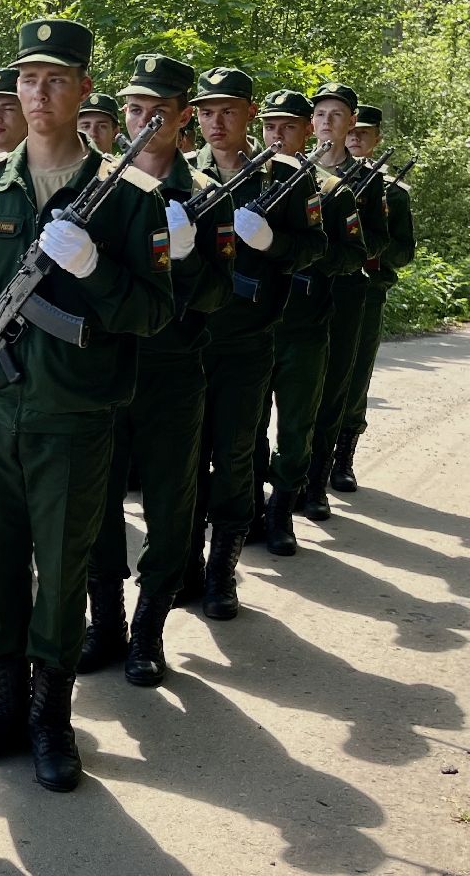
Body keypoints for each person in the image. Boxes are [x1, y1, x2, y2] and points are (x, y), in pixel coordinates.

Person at [0, 19, 173, 791]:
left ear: (84, 88)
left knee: (60, 571)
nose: (39, 92)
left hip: (75, 420)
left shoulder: (131, 199)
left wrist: (94, 269)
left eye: (57, 79)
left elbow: (155, 313)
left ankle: (52, 717)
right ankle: (3, 707)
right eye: (29, 78)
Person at [81, 55, 233, 686]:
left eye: (159, 111)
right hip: (103, 365)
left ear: (183, 117)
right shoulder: (97, 184)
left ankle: (148, 630)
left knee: (172, 504)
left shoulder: (205, 194)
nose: (145, 121)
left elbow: (219, 294)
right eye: (135, 109)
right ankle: (106, 623)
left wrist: (189, 253)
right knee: (96, 502)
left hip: (172, 370)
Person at [183, 71, 326, 610]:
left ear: (249, 113)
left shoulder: (286, 176)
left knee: (235, 455)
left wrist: (272, 242)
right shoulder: (180, 174)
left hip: (247, 341)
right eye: (206, 112)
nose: (216, 123)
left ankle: (223, 569)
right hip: (189, 342)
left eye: (227, 111)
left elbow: (314, 247)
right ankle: (188, 565)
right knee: (185, 460)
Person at [257, 88, 365, 560]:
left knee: (296, 427)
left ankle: (282, 508)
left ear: (307, 132)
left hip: (302, 327)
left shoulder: (331, 190)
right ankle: (249, 508)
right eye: (270, 126)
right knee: (246, 429)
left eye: (288, 127)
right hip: (251, 328)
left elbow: (353, 255)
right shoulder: (241, 183)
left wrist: (305, 251)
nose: (277, 136)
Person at [302, 83, 389, 519]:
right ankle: (287, 477)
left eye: (336, 114)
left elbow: (378, 237)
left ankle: (317, 480)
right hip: (297, 294)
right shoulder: (293, 169)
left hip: (345, 293)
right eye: (320, 114)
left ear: (351, 122)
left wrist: (339, 244)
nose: (327, 122)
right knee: (293, 392)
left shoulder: (368, 179)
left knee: (335, 387)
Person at [333, 105, 415, 489]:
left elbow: (404, 251)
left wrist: (373, 251)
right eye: (352, 132)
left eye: (363, 133)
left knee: (354, 376)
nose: (355, 139)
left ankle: (342, 457)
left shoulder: (391, 192)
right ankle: (309, 458)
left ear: (377, 138)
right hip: (324, 290)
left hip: (366, 292)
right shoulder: (318, 180)